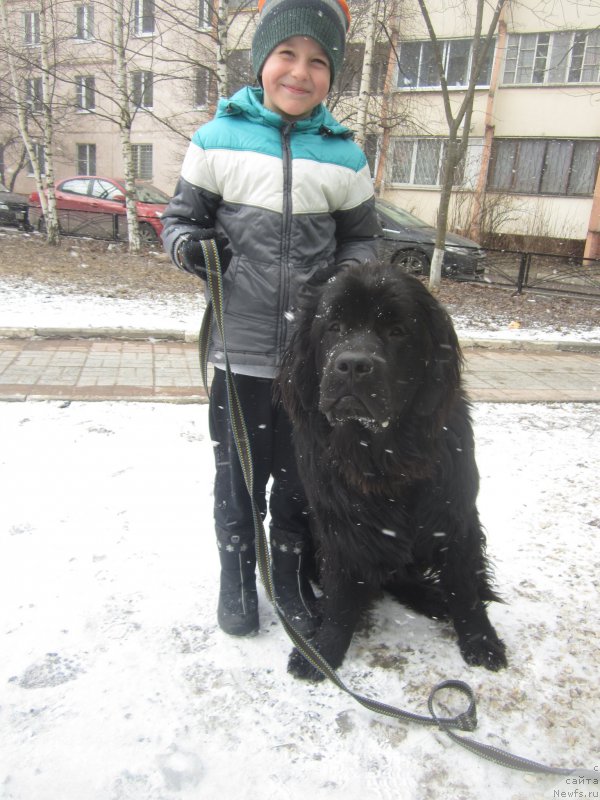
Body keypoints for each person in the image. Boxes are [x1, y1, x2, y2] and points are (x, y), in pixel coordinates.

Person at [161, 0, 381, 638]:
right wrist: (190, 247)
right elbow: (180, 220)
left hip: (311, 359)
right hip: (241, 350)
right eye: (287, 54)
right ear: (263, 61)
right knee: (237, 479)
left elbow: (362, 242)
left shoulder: (344, 155)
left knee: (300, 480)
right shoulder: (216, 140)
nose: (300, 71)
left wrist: (347, 281)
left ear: (332, 75)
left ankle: (286, 580)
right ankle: (236, 578)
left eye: (318, 61)